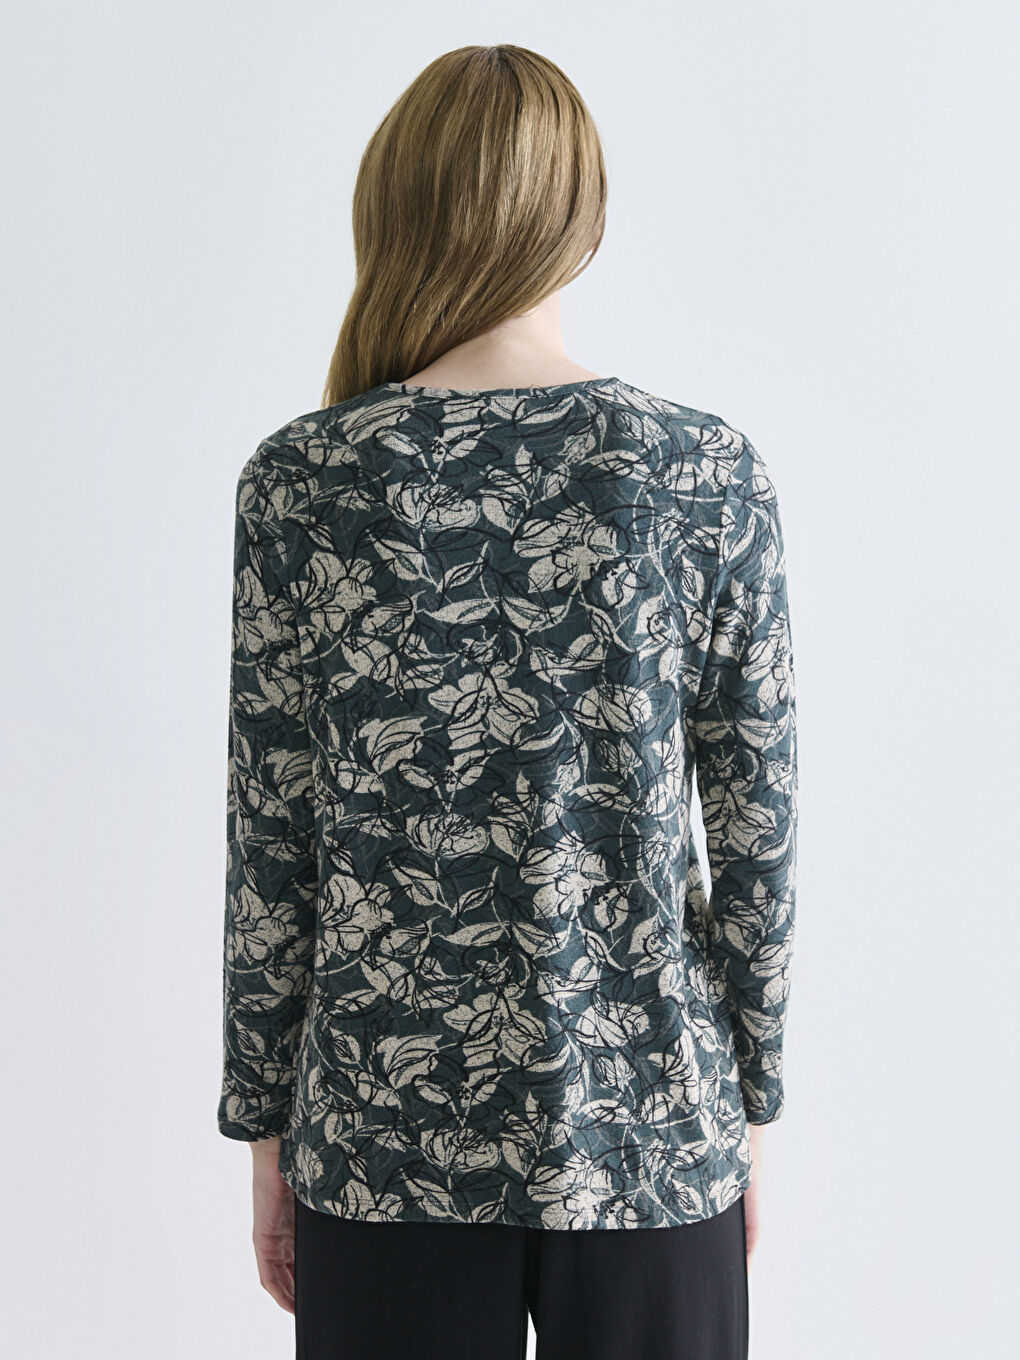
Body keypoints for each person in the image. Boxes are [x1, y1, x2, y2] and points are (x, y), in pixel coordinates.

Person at [217, 43, 798, 1360]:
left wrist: (267, 1130)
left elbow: (273, 841)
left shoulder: (306, 479)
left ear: (392, 208)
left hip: (381, 1131)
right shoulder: (703, 473)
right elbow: (756, 833)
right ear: (582, 220)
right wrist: (748, 1108)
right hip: (651, 1125)